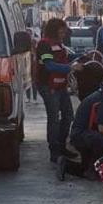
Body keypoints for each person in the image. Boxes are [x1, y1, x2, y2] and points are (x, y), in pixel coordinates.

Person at [58, 77, 103, 181]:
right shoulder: (101, 101)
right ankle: (93, 172)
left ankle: (66, 164)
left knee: (85, 167)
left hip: (83, 135)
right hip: (82, 136)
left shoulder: (101, 97)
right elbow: (102, 128)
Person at [36, 18, 83, 163]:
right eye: (61, 31)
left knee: (68, 115)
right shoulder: (44, 45)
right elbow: (49, 65)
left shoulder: (59, 45)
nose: (63, 34)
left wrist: (84, 56)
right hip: (48, 87)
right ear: (54, 30)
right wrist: (71, 68)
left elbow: (67, 57)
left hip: (61, 86)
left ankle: (62, 146)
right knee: (54, 119)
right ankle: (54, 151)